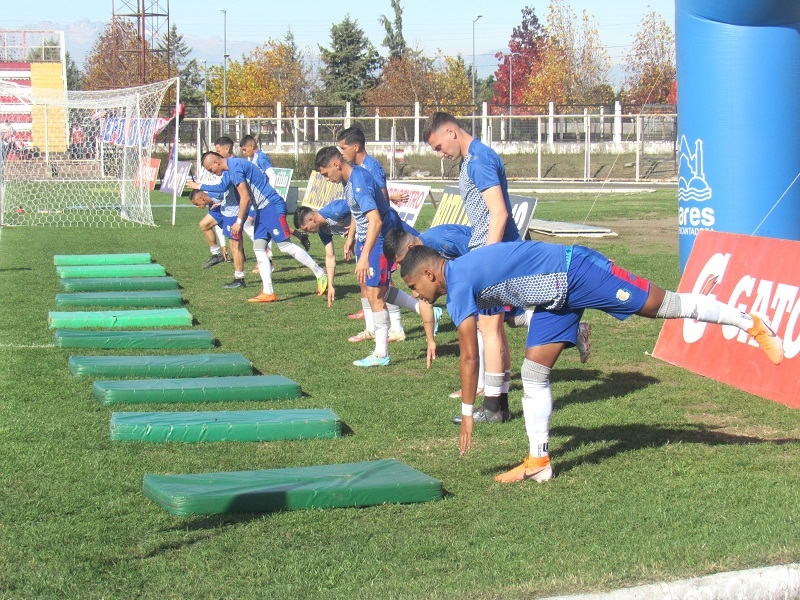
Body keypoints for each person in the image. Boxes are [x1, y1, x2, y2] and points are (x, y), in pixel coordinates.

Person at [400, 241, 785, 483]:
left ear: (431, 273)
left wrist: (468, 412)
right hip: (555, 298)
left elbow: (469, 356)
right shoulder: (460, 281)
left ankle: (748, 322)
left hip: (578, 270)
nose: (417, 295)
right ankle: (539, 460)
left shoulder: (460, 283)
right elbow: (508, 315)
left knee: (662, 306)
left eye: (415, 288)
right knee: (534, 374)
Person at [383, 226, 590, 388]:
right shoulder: (424, 259)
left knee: (487, 326)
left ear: (410, 249)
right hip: (478, 286)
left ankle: (487, 391)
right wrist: (430, 340)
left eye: (401, 262)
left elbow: (479, 255)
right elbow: (425, 299)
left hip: (494, 278)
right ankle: (575, 330)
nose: (403, 267)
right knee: (511, 320)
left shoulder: (440, 241)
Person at [422, 111, 521, 422]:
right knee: (496, 328)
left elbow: (499, 214)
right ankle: (499, 404)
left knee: (489, 328)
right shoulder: (470, 160)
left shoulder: (478, 160)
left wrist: (488, 261)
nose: (439, 154)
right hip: (491, 253)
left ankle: (493, 409)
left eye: (438, 147)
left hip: (493, 254)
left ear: (451, 131)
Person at [295, 203, 442, 367]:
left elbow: (359, 206)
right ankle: (392, 323)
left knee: (377, 290)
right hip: (364, 241)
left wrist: (351, 235)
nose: (308, 233)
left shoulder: (335, 209)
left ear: (311, 218)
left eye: (306, 229)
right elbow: (330, 256)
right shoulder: (323, 230)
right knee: (368, 285)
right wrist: (331, 285)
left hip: (378, 237)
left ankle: (384, 349)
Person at [314, 145, 420, 367]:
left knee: (375, 294)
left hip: (379, 238)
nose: (326, 179)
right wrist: (352, 236)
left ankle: (381, 354)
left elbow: (376, 221)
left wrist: (365, 256)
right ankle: (423, 309)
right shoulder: (348, 180)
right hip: (366, 239)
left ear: (336, 164)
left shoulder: (359, 180)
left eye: (325, 174)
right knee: (375, 289)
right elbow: (357, 211)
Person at [188, 151, 328, 302]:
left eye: (210, 170)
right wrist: (200, 185)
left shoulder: (234, 168)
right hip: (261, 209)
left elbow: (245, 197)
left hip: (271, 205)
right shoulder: (231, 168)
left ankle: (320, 273)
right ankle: (268, 292)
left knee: (285, 246)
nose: (212, 173)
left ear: (216, 162)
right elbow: (222, 187)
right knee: (259, 248)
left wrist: (239, 222)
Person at [337, 126, 411, 339]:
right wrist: (352, 234)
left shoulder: (372, 168)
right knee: (365, 280)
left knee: (382, 282)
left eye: (343, 148)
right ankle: (371, 328)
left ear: (356, 146)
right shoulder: (353, 172)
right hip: (364, 233)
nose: (341, 153)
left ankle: (397, 327)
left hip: (380, 232)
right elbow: (359, 207)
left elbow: (380, 205)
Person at [240, 134, 311, 252]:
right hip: (260, 199)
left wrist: (268, 195)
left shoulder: (261, 157)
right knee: (265, 224)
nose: (243, 152)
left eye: (244, 149)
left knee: (250, 224)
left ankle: (267, 254)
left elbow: (272, 175)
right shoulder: (255, 158)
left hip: (264, 199)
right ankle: (297, 236)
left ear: (251, 146)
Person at [189, 188, 246, 288]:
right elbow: (219, 227)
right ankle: (217, 255)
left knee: (237, 246)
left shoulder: (217, 192)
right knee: (204, 225)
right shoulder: (211, 204)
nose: (197, 207)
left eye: (196, 204)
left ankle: (240, 278)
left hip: (233, 212)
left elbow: (229, 193)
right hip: (222, 210)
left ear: (201, 198)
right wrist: (223, 245)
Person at [195, 137, 233, 269]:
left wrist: (200, 186)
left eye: (218, 151)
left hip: (237, 207)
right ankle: (217, 254)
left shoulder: (233, 164)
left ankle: (266, 258)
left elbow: (223, 188)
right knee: (204, 224)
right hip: (223, 207)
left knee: (249, 231)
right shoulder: (222, 167)